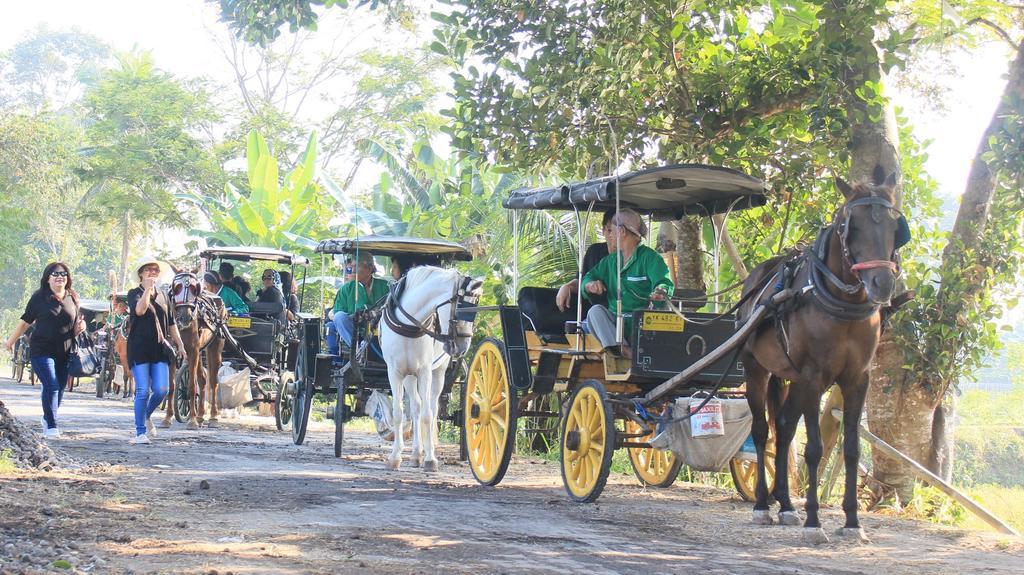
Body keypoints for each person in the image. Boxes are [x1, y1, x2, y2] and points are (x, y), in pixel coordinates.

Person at [4, 262, 85, 438]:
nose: (60, 277)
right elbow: (25, 322)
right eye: (55, 274)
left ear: (68, 278)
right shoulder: (39, 297)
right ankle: (51, 425)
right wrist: (10, 342)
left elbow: (75, 325)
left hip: (65, 351)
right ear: (47, 278)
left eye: (63, 274)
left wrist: (81, 326)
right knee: (52, 384)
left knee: (61, 387)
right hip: (41, 350)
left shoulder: (73, 298)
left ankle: (48, 417)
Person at [582, 208, 674, 359]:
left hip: (643, 325)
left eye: (611, 230)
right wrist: (589, 285)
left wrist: (660, 291)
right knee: (594, 312)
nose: (609, 235)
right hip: (617, 327)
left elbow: (664, 282)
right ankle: (624, 352)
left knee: (662, 308)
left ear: (622, 231)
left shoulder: (650, 258)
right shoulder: (610, 261)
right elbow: (587, 278)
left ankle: (638, 354)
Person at [127, 257, 186, 444]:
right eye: (149, 270)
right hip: (139, 348)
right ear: (141, 274)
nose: (153, 273)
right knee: (143, 390)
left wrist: (180, 344)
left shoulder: (164, 295)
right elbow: (140, 311)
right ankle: (140, 432)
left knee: (162, 389)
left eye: (155, 270)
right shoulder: (134, 293)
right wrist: (147, 291)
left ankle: (145, 414)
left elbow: (171, 323)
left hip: (159, 349)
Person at [556, 209, 617, 311]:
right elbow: (581, 281)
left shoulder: (637, 257)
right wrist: (567, 286)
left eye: (618, 231)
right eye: (610, 231)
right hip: (597, 311)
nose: (614, 236)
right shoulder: (595, 251)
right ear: (603, 231)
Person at [329, 251, 389, 351]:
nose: (352, 270)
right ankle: (358, 350)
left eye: (356, 266)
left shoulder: (385, 286)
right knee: (339, 316)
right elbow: (337, 312)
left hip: (382, 333)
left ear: (369, 269)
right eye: (351, 266)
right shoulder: (346, 288)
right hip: (355, 333)